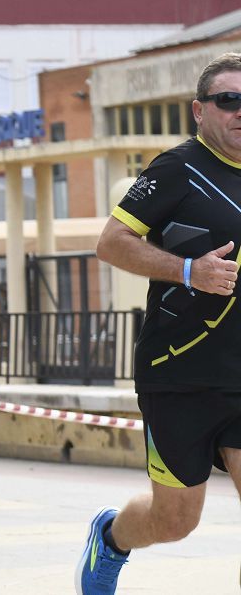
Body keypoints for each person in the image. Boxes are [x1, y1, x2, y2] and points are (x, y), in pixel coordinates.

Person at [80, 52, 241, 594]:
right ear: (200, 110)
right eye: (229, 100)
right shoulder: (177, 167)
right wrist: (189, 271)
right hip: (179, 372)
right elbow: (111, 243)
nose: (240, 111)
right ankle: (111, 538)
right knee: (175, 520)